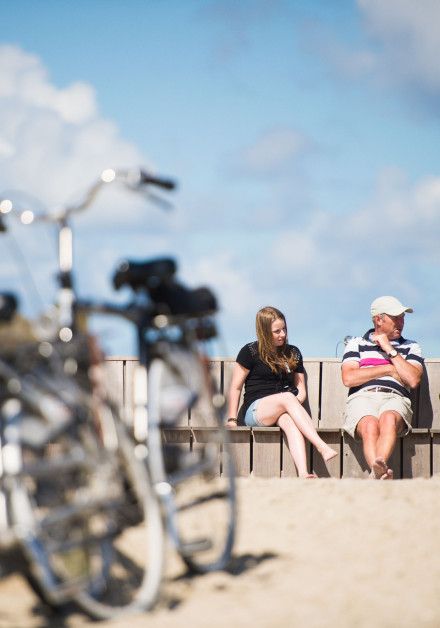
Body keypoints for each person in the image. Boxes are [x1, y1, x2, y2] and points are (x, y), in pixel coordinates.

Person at [227, 306, 337, 478]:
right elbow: (235, 387)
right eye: (276, 331)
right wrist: (232, 419)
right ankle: (320, 446)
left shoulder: (293, 352)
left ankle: (303, 473)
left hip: (284, 407)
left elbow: (301, 391)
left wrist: (291, 404)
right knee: (286, 397)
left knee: (289, 421)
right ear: (264, 331)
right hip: (255, 410)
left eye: (284, 329)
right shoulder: (250, 352)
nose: (282, 334)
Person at [341, 295, 424, 480]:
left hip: (395, 397)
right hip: (362, 397)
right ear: (378, 319)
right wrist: (388, 369)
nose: (401, 323)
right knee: (370, 425)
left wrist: (390, 350)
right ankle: (379, 472)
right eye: (395, 318)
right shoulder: (357, 344)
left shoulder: (411, 346)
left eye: (403, 318)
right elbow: (348, 378)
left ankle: (376, 474)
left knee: (387, 419)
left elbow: (412, 380)